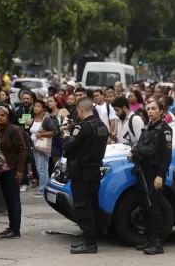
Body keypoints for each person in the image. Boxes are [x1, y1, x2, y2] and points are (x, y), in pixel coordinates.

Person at [62, 97, 108, 254]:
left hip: (81, 172)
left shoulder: (81, 128)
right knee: (92, 205)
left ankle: (89, 242)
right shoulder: (102, 126)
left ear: (80, 109)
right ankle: (91, 239)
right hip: (94, 171)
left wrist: (67, 137)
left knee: (83, 206)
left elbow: (68, 148)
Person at [127, 100, 172, 255]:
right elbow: (139, 145)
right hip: (142, 172)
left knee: (154, 207)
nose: (151, 111)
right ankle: (150, 239)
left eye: (154, 109)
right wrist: (133, 153)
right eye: (149, 109)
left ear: (161, 111)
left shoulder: (164, 130)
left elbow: (167, 156)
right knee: (144, 206)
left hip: (154, 173)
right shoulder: (147, 128)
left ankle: (157, 242)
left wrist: (160, 176)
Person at [0, 106, 27, 239]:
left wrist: (19, 170)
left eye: (2, 115)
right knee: (7, 199)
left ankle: (16, 230)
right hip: (1, 171)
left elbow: (22, 150)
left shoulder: (14, 129)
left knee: (14, 200)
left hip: (12, 170)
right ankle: (11, 227)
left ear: (8, 117)